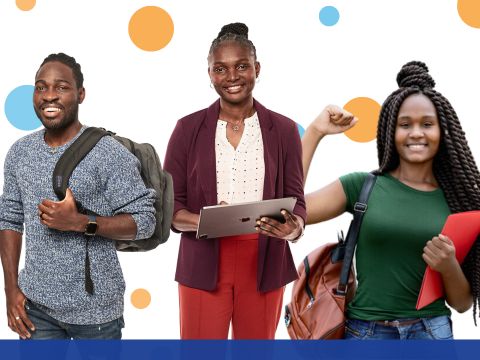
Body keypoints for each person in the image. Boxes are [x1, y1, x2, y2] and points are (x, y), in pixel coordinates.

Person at [302, 61, 479, 340]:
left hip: (430, 333)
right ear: (389, 132)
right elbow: (291, 211)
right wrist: (315, 132)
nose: (416, 133)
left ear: (443, 130)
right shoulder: (362, 186)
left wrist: (448, 265)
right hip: (366, 334)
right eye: (405, 124)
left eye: (427, 124)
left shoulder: (460, 201)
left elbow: (462, 303)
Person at [163, 23, 306, 339]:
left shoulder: (283, 130)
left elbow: (297, 199)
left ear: (257, 68)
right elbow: (171, 208)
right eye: (220, 69)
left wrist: (294, 229)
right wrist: (209, 219)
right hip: (203, 261)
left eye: (242, 66)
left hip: (264, 258)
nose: (232, 77)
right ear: (210, 74)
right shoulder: (187, 130)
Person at [0, 53, 156, 339]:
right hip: (36, 308)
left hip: (97, 314)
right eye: (41, 87)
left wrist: (81, 223)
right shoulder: (19, 153)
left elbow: (145, 221)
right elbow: (9, 218)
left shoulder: (108, 153)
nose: (49, 96)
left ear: (80, 94)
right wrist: (11, 290)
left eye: (61, 87)